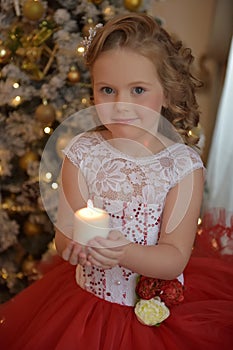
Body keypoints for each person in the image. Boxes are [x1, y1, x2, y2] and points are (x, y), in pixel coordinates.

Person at [0, 13, 232, 350]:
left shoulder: (182, 167)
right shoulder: (82, 154)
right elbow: (64, 240)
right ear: (92, 90)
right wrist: (75, 248)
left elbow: (174, 258)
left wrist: (120, 252)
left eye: (138, 90)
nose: (121, 105)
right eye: (107, 89)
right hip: (82, 305)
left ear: (167, 93)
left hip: (149, 317)